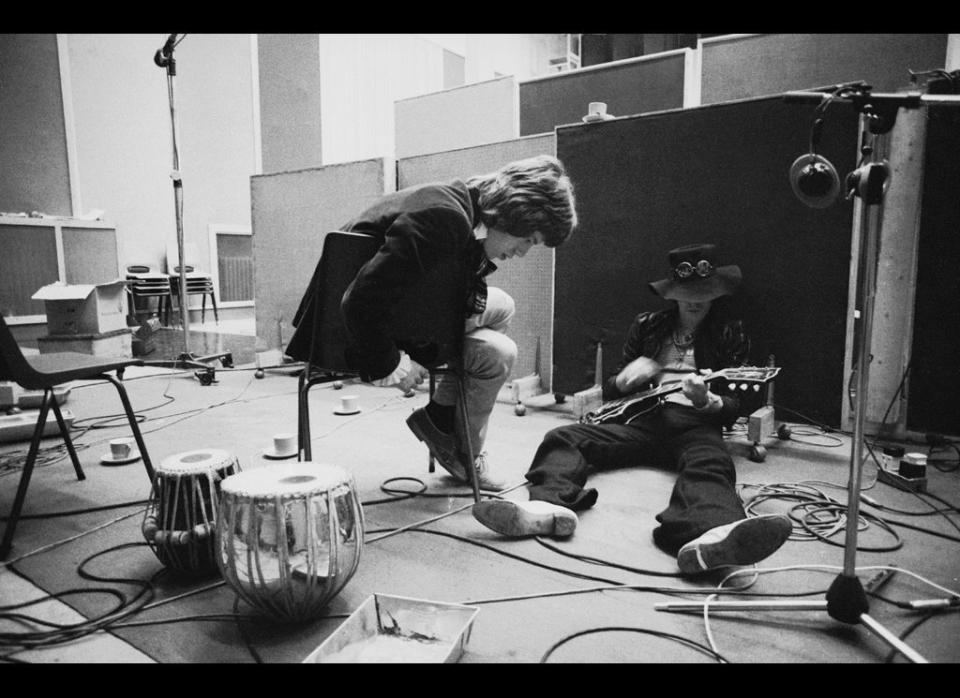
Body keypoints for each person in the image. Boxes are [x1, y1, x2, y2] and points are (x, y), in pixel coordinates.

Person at [472, 243, 792, 575]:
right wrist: (625, 381)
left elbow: (735, 406)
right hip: (643, 418)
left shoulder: (729, 332)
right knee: (563, 437)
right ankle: (545, 509)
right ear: (672, 294)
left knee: (712, 463)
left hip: (696, 424)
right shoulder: (649, 325)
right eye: (686, 293)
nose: (695, 301)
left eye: (703, 293)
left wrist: (706, 400)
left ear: (715, 294)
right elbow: (611, 391)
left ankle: (708, 536)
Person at [292, 155, 578, 491]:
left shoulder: (461, 201)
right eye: (530, 239)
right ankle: (451, 435)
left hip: (401, 310)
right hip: (350, 330)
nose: (523, 252)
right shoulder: (444, 219)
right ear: (516, 213)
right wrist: (393, 364)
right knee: (499, 352)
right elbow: (359, 300)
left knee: (503, 311)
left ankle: (442, 418)